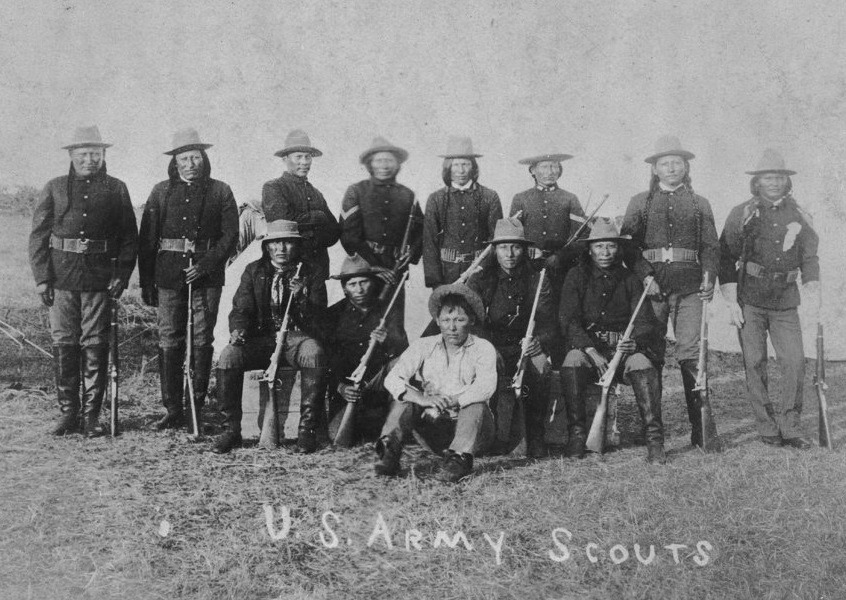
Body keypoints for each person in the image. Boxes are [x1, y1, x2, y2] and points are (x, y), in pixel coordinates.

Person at [29, 125, 138, 437]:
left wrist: (122, 274)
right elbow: (37, 236)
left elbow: (130, 236)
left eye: (95, 153)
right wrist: (42, 278)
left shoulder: (116, 188)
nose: (90, 159)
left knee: (94, 344)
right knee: (64, 342)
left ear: (103, 155)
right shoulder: (54, 187)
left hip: (99, 279)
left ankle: (91, 417)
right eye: (83, 154)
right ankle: (68, 414)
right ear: (72, 155)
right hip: (61, 278)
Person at [620, 135, 720, 448]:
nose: (672, 168)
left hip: (690, 288)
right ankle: (654, 437)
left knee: (692, 354)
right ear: (655, 169)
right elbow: (629, 246)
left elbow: (710, 246)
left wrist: (709, 277)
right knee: (650, 355)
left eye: (677, 162)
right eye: (665, 163)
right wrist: (646, 276)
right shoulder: (640, 202)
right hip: (652, 290)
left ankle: (701, 431)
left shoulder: (700, 203)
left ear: (686, 166)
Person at [139, 128, 239, 432]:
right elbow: (147, 239)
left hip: (207, 278)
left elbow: (230, 235)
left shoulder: (221, 191)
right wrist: (147, 281)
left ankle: (195, 403)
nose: (191, 163)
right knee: (169, 337)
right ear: (175, 162)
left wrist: (206, 265)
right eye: (184, 158)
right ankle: (173, 408)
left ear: (203, 159)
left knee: (201, 338)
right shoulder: (160, 191)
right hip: (168, 275)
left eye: (196, 157)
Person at [719, 150, 819, 450]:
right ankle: (766, 427)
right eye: (767, 177)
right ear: (757, 181)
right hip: (750, 299)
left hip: (787, 302)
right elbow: (725, 256)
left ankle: (790, 427)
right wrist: (730, 301)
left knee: (795, 363)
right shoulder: (743, 213)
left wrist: (813, 292)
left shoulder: (800, 214)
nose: (774, 182)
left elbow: (810, 258)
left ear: (786, 181)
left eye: (779, 177)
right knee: (755, 363)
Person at [212, 220, 328, 454]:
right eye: (275, 243)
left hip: (297, 339)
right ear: (267, 247)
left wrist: (302, 296)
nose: (281, 248)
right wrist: (238, 331)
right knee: (228, 356)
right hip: (261, 340)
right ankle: (231, 430)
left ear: (297, 246)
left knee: (313, 352)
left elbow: (319, 321)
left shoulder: (311, 272)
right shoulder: (253, 271)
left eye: (287, 242)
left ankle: (306, 431)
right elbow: (241, 309)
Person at [558, 218, 665, 462]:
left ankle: (655, 439)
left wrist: (634, 343)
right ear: (589, 249)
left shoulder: (630, 279)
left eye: (611, 246)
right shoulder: (576, 276)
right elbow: (569, 320)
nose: (605, 253)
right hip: (591, 352)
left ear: (618, 249)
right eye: (599, 246)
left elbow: (645, 321)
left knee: (642, 364)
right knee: (572, 359)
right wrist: (590, 350)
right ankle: (577, 435)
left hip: (623, 352)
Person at [375, 283, 497, 482]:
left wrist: (450, 401)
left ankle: (458, 461)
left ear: (472, 320)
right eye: (446, 320)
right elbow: (392, 377)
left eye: (459, 319)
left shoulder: (483, 348)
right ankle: (389, 452)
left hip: (473, 432)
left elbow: (485, 387)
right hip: (433, 428)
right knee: (404, 398)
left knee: (476, 404)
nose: (452, 327)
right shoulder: (424, 345)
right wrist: (422, 398)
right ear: (437, 321)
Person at [466, 218, 556, 457]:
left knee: (541, 367)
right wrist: (487, 348)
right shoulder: (480, 279)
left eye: (516, 247)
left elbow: (548, 322)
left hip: (524, 346)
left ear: (524, 249)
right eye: (503, 247)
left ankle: (535, 435)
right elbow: (472, 323)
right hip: (489, 346)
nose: (510, 253)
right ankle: (490, 434)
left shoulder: (538, 278)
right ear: (495, 250)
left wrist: (539, 342)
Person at [322, 254, 409, 446]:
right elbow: (327, 358)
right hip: (348, 390)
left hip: (378, 387)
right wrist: (341, 387)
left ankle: (392, 427)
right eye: (353, 284)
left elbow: (404, 354)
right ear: (344, 288)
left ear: (372, 283)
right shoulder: (333, 314)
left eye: (364, 282)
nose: (359, 289)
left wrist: (387, 342)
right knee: (336, 435)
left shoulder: (387, 311)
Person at [339, 136, 423, 323]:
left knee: (392, 322)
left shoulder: (407, 194)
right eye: (379, 160)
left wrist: (412, 252)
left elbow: (420, 231)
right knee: (365, 321)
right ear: (370, 164)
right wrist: (373, 268)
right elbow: (349, 235)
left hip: (395, 267)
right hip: (364, 268)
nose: (384, 165)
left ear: (397, 164)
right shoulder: (356, 191)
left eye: (389, 160)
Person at [422, 136, 503, 289]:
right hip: (447, 274)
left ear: (473, 167)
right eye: (456, 165)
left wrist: (484, 267)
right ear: (448, 168)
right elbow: (429, 242)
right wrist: (435, 281)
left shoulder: (489, 197)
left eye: (465, 164)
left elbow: (496, 239)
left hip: (480, 272)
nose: (461, 170)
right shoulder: (436, 199)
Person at [262, 129, 340, 282]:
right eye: (298, 157)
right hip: (289, 270)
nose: (304, 162)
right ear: (285, 159)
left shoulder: (316, 193)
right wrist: (318, 217)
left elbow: (334, 232)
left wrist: (309, 234)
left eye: (308, 157)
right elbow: (282, 222)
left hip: (318, 270)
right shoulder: (274, 187)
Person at [509, 151, 587, 288]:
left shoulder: (569, 199)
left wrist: (561, 257)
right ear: (533, 170)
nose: (550, 172)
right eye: (544, 167)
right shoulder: (521, 199)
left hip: (562, 268)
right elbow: (512, 235)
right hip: (529, 267)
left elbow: (581, 237)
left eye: (554, 166)